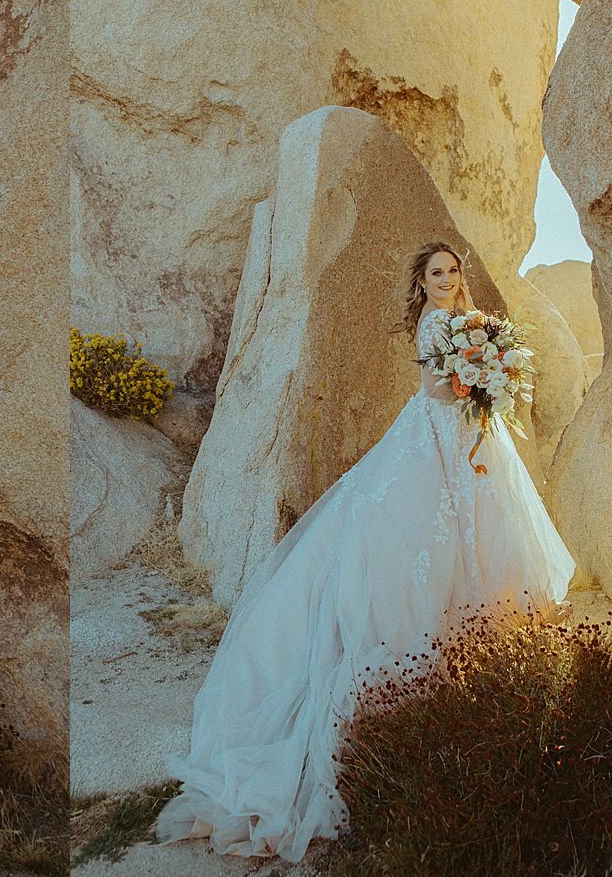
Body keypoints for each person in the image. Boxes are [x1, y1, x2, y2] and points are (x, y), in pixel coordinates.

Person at [157, 243, 575, 862]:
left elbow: (474, 378)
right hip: (435, 432)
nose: (446, 280)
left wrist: (492, 369)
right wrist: (478, 373)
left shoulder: (475, 319)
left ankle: (487, 652)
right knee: (418, 538)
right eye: (436, 273)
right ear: (422, 283)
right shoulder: (436, 324)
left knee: (482, 530)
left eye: (452, 271)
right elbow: (435, 388)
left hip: (471, 434)